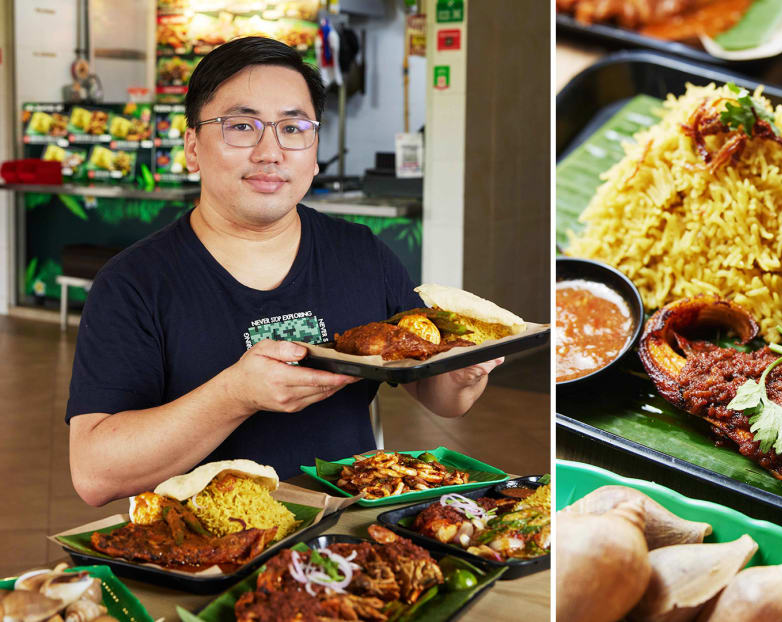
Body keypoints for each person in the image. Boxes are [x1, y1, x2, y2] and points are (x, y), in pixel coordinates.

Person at [67, 37, 503, 507]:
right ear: (192, 147)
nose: (270, 151)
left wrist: (464, 375)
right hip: (208, 558)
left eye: (293, 128)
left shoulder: (361, 254)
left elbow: (442, 399)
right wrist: (235, 394)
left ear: (313, 152)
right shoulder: (134, 283)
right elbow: (95, 474)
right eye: (240, 125)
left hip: (346, 548)